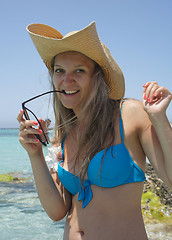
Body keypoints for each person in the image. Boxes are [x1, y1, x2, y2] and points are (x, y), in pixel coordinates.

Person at [17, 22, 172, 240]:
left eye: (79, 70)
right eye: (59, 70)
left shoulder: (129, 115)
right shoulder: (62, 134)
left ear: (96, 77)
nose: (66, 80)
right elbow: (56, 211)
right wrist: (34, 154)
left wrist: (158, 117)